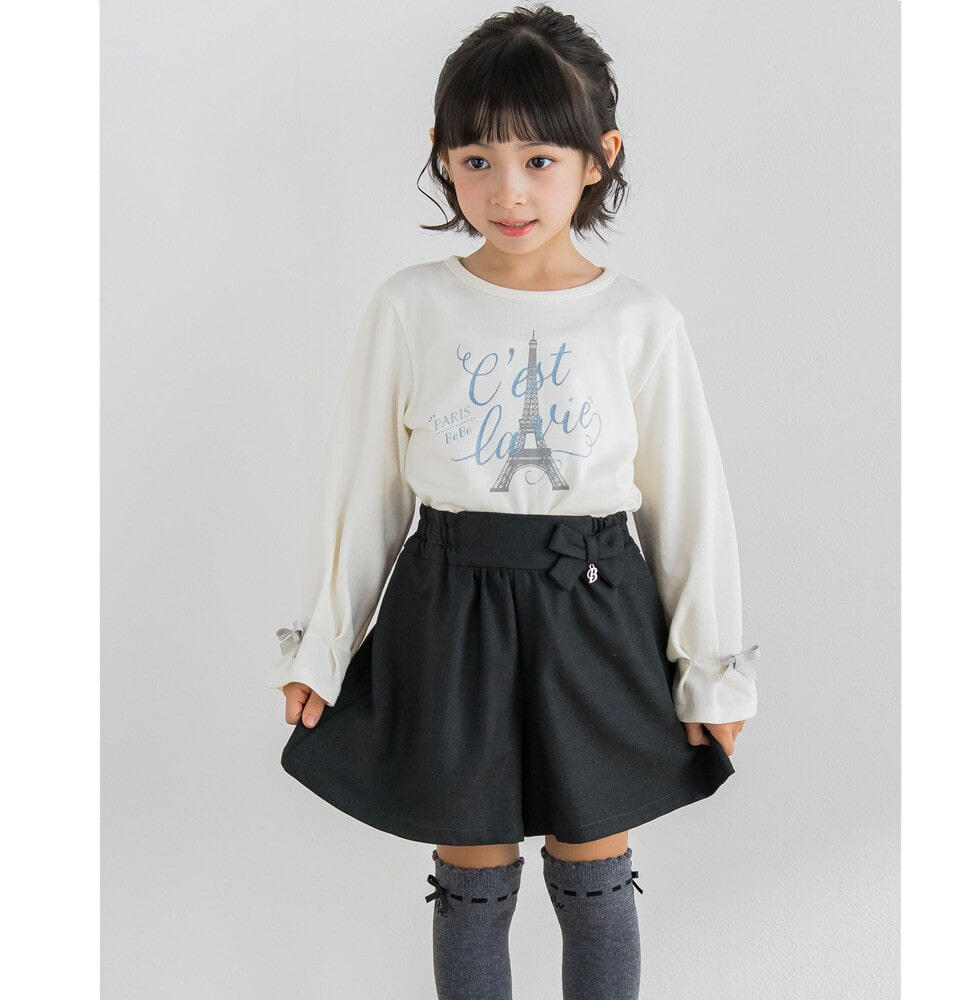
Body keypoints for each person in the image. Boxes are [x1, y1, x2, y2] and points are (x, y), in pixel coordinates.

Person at [266, 5, 760, 999]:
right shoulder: (412, 305)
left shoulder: (638, 319)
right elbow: (364, 492)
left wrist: (712, 673)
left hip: (594, 607)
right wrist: (322, 646)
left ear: (599, 156)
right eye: (477, 160)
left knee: (594, 861)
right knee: (473, 870)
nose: (508, 190)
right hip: (449, 608)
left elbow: (688, 507)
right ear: (441, 156)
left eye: (539, 158)